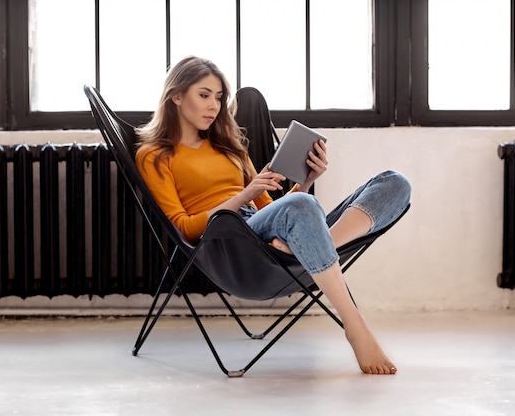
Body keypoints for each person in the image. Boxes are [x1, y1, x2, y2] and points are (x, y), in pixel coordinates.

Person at [135, 56, 411, 375]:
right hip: (231, 241)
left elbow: (271, 211)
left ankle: (308, 246)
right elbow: (182, 227)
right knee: (301, 209)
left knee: (394, 183)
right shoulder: (155, 155)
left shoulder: (231, 149)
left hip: (270, 234)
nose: (214, 105)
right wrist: (245, 195)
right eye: (204, 94)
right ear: (177, 96)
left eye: (219, 97)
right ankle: (355, 325)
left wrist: (307, 180)